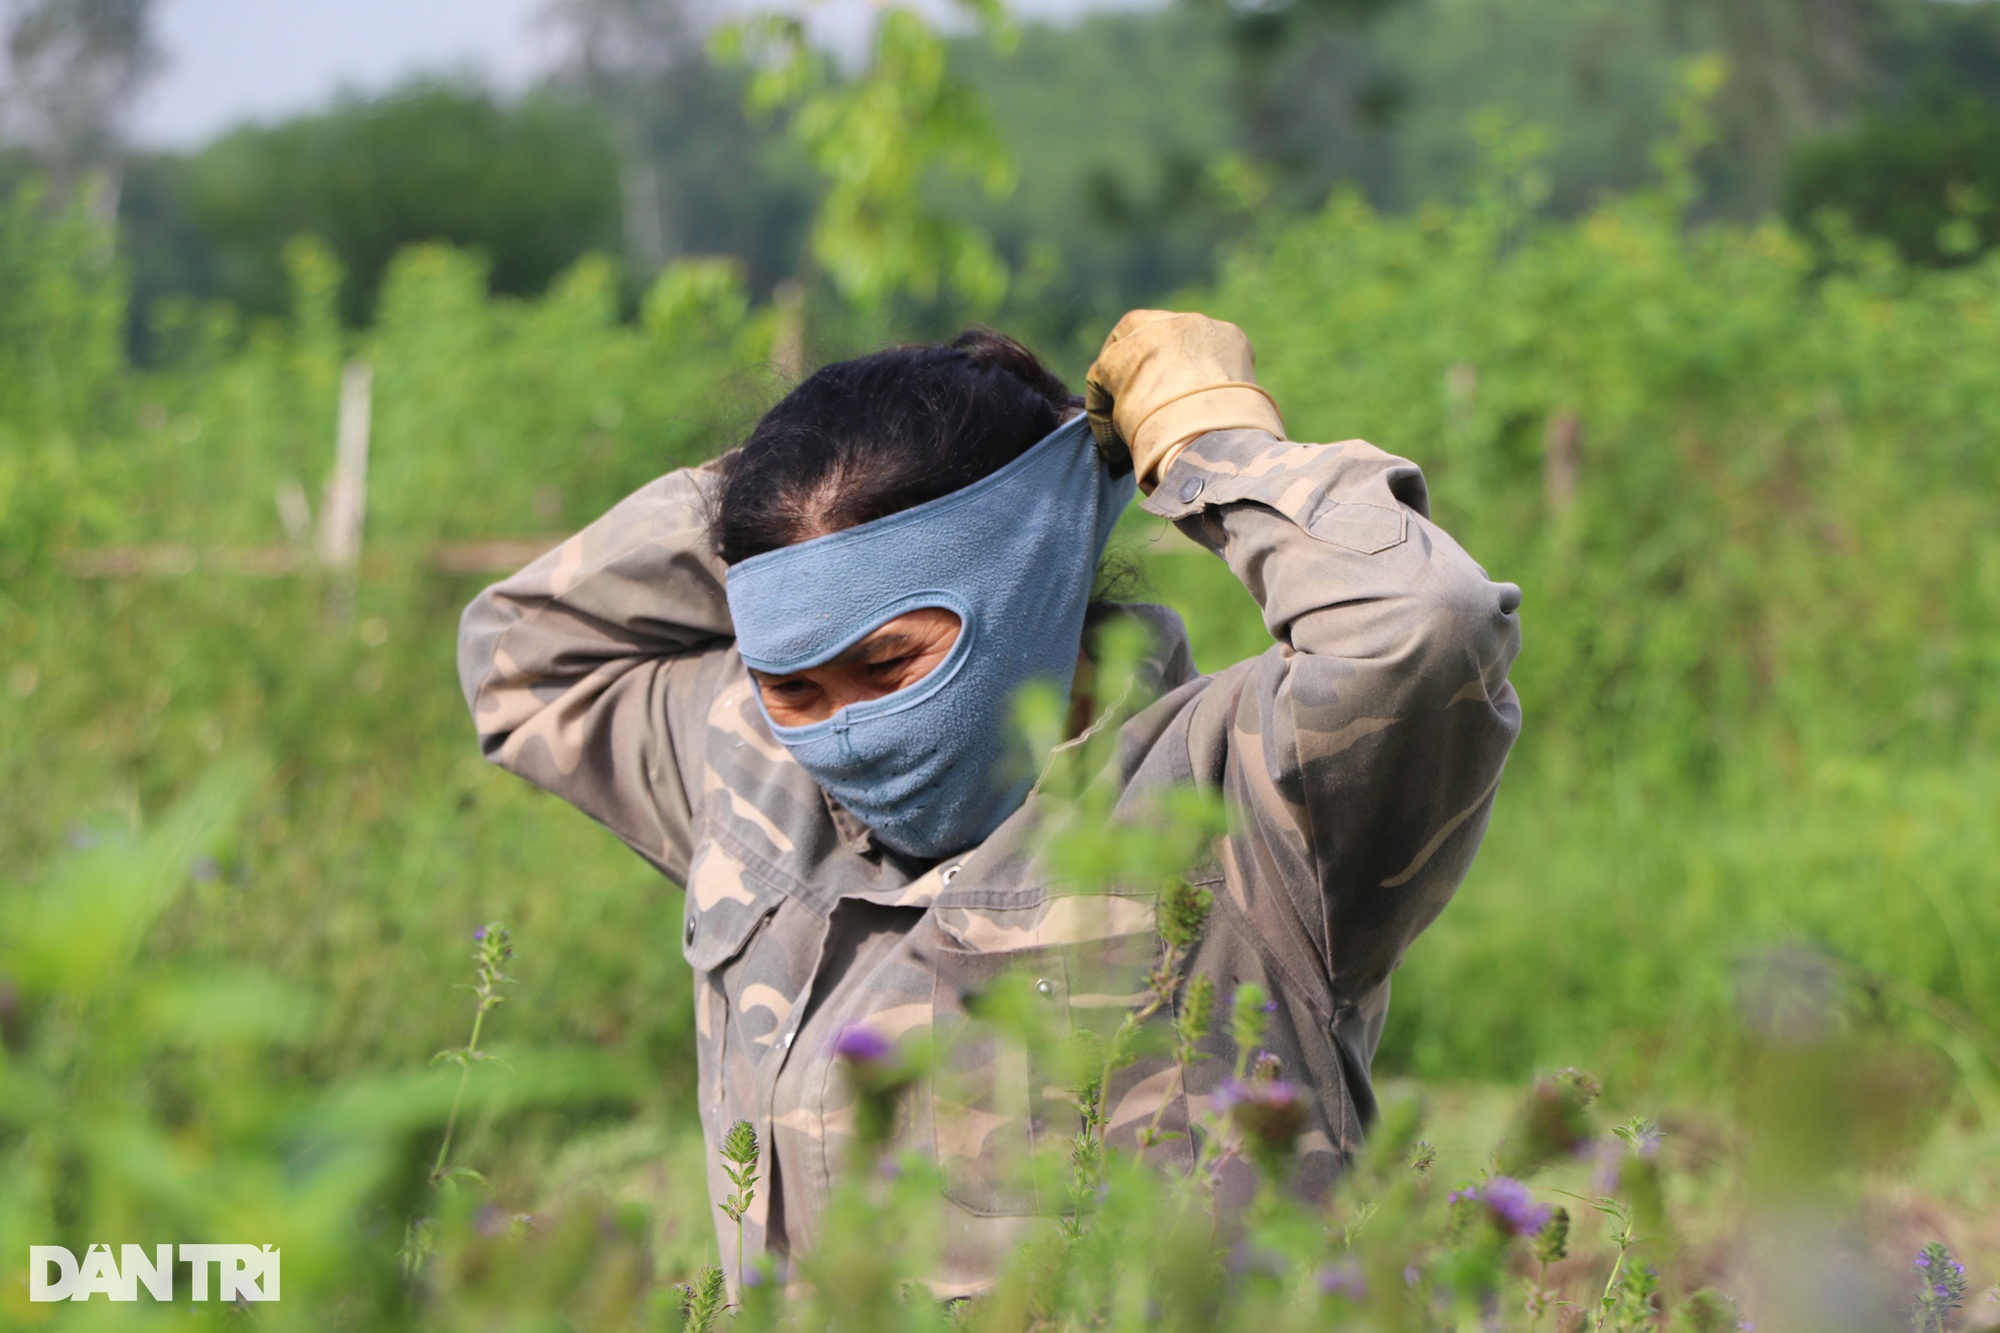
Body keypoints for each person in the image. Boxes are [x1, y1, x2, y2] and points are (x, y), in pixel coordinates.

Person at [457, 311, 1522, 1292]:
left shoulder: (1247, 792)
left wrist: (1201, 440)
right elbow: (523, 654)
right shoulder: (748, 765)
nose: (842, 729)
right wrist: (776, 488)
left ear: (1027, 590)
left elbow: (1422, 624)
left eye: (889, 665)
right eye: (796, 683)